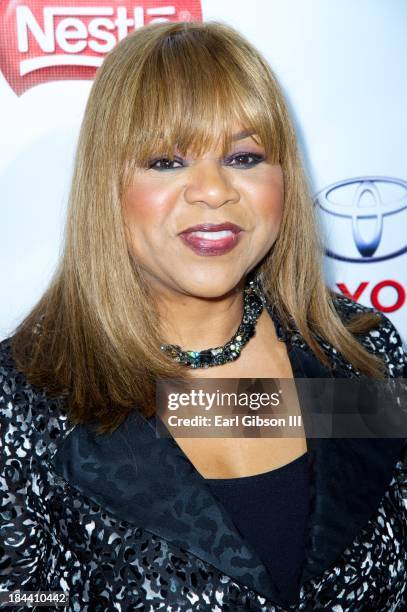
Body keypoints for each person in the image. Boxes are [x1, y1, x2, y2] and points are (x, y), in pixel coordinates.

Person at [1, 20, 406, 612]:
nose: (213, 190)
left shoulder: (357, 352)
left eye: (244, 156)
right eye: (167, 161)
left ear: (283, 179)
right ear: (105, 186)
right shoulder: (23, 400)